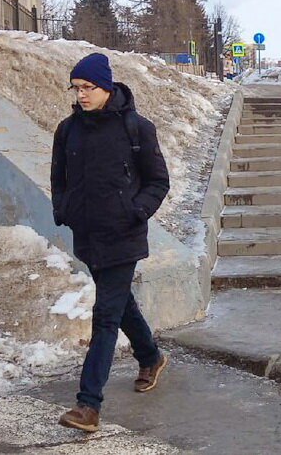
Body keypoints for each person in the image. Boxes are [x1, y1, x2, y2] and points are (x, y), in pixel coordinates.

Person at [51, 53, 170, 432]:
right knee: (121, 305)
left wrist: (136, 211)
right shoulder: (68, 129)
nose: (81, 94)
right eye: (76, 88)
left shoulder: (137, 128)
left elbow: (158, 181)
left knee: (105, 316)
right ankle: (150, 356)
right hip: (87, 234)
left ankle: (88, 405)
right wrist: (65, 210)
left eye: (88, 88)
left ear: (106, 87)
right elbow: (59, 178)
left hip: (123, 235)